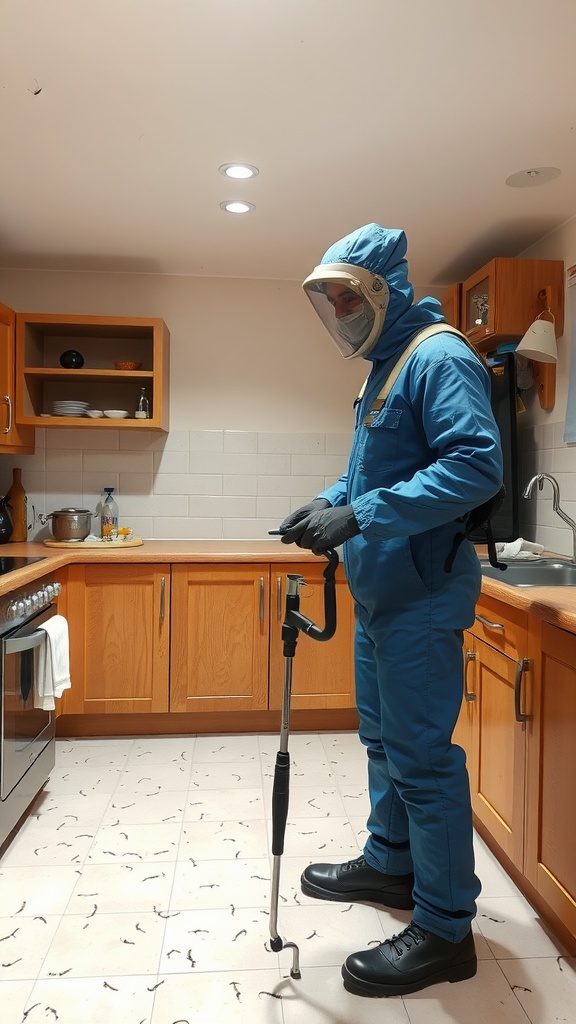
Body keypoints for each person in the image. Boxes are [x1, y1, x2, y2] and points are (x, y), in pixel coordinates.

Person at [278, 223, 503, 998]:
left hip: (419, 599)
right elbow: (366, 472)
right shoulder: (386, 368)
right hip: (381, 596)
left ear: (382, 291)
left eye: (348, 296)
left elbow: (475, 467)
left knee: (422, 759)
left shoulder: (437, 355)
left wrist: (364, 514)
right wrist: (327, 503)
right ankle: (390, 866)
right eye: (331, 301)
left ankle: (445, 929)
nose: (339, 311)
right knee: (382, 742)